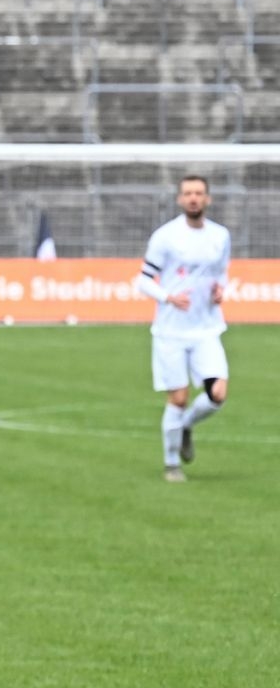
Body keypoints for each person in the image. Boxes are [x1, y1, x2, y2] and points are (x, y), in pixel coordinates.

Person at [136, 175, 231, 483]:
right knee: (178, 398)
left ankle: (187, 425)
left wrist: (220, 291)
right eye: (188, 193)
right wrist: (168, 297)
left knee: (218, 393)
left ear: (207, 199)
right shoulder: (166, 236)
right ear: (180, 199)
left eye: (199, 193)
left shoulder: (220, 236)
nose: (193, 198)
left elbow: (221, 273)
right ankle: (171, 463)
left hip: (207, 329)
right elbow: (143, 280)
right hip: (171, 332)